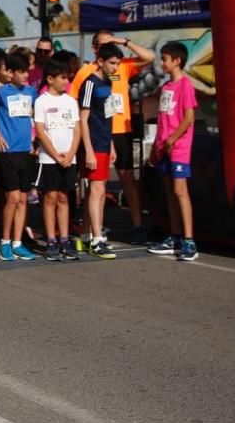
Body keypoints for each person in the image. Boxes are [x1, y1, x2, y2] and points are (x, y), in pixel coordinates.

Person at [69, 32, 155, 243]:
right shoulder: (87, 73)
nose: (110, 47)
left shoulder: (120, 65)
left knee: (127, 179)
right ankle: (92, 230)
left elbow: (150, 57)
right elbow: (76, 104)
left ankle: (137, 226)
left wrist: (123, 41)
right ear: (95, 50)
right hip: (97, 131)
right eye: (104, 44)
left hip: (120, 130)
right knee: (95, 183)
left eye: (111, 43)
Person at [147, 42, 199, 261]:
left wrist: (172, 140)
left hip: (178, 147)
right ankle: (174, 236)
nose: (162, 62)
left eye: (165, 58)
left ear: (177, 61)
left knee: (180, 191)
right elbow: (162, 119)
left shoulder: (185, 85)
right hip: (163, 146)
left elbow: (189, 118)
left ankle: (189, 240)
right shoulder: (165, 88)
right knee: (169, 191)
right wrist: (156, 146)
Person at [77, 42, 123, 259]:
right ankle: (97, 240)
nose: (115, 68)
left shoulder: (110, 82)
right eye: (112, 63)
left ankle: (86, 236)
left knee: (98, 191)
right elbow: (83, 119)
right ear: (101, 61)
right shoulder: (89, 84)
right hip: (93, 144)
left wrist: (111, 143)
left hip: (105, 143)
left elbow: (108, 114)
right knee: (97, 191)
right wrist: (88, 150)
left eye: (117, 63)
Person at [34, 59, 81, 261]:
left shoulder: (70, 101)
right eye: (62, 77)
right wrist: (55, 154)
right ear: (50, 79)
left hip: (69, 158)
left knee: (64, 197)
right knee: (50, 197)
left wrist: (70, 155)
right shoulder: (41, 101)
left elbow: (77, 129)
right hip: (48, 159)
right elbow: (40, 130)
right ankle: (51, 240)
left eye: (67, 77)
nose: (66, 81)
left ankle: (64, 238)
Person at [0, 52, 38, 261]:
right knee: (11, 198)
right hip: (8, 152)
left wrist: (36, 142)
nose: (25, 75)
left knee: (22, 198)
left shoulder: (31, 92)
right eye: (21, 72)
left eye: (26, 71)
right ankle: (4, 242)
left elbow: (36, 117)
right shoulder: (1, 92)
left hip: (26, 151)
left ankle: (18, 242)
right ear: (10, 73)